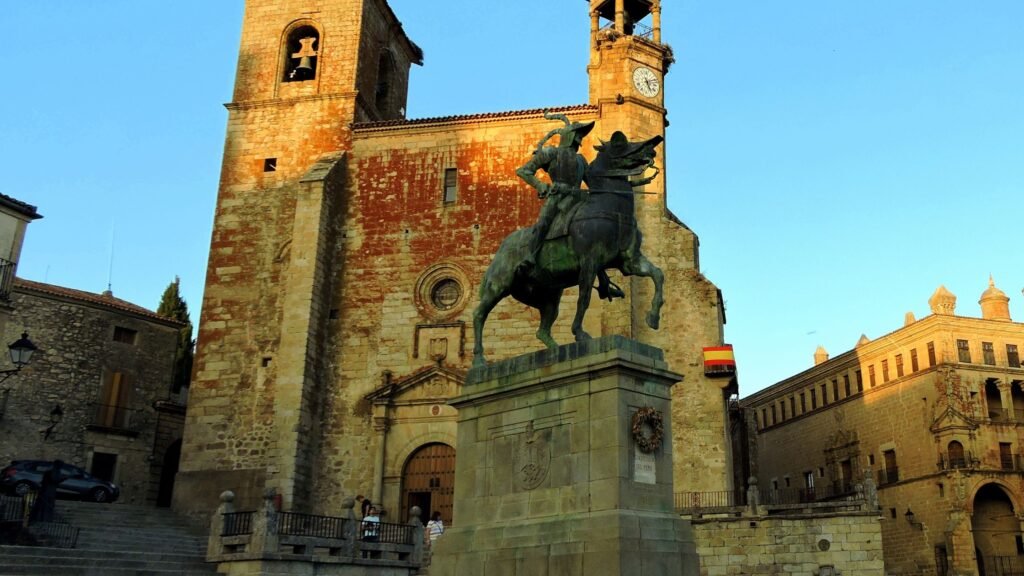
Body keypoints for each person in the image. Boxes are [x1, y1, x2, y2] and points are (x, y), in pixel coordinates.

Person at [516, 112, 624, 300]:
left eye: (581, 135)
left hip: (577, 200)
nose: (580, 138)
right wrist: (541, 185)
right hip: (557, 199)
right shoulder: (551, 153)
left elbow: (594, 185)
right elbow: (524, 171)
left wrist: (617, 186)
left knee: (594, 234)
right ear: (570, 135)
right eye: (578, 134)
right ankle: (529, 258)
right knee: (542, 224)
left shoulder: (581, 160)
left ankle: (604, 283)